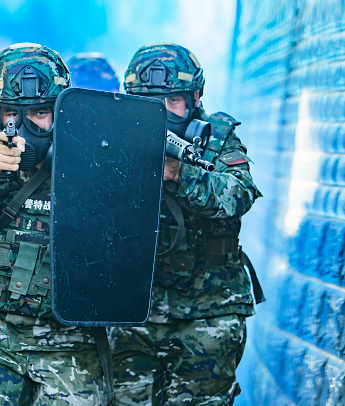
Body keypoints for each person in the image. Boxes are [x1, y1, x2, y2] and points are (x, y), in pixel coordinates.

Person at [0, 43, 107, 405]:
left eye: (40, 112)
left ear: (61, 110)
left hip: (70, 342)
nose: (26, 124)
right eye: (12, 112)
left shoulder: (91, 155)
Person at [109, 43, 263, 405]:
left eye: (173, 100)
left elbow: (239, 195)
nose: (162, 113)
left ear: (195, 98)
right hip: (136, 309)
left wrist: (181, 175)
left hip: (209, 310)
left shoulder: (218, 137)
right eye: (148, 102)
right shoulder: (117, 136)